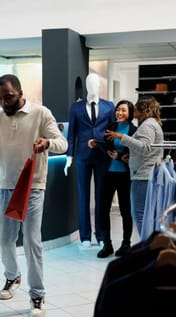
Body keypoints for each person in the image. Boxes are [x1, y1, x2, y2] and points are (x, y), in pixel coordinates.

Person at [0, 74, 67, 317]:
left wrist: (47, 142)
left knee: (31, 241)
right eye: (0, 98)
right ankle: (12, 276)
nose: (4, 103)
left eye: (8, 97)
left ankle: (37, 294)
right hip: (6, 185)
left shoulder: (41, 113)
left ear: (19, 92)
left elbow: (63, 143)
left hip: (33, 186)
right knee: (4, 239)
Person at [64, 73, 115, 249]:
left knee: (101, 197)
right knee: (83, 197)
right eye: (90, 83)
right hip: (82, 157)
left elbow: (112, 132)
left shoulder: (109, 107)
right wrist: (69, 156)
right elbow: (72, 135)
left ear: (100, 85)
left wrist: (113, 151)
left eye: (96, 83)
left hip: (103, 156)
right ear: (86, 86)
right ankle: (84, 236)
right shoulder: (76, 107)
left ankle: (101, 235)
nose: (93, 87)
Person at [106, 95, 163, 237]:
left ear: (144, 109)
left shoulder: (147, 125)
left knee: (139, 213)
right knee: (145, 213)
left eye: (136, 108)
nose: (134, 111)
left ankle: (145, 248)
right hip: (146, 173)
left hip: (142, 174)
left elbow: (144, 147)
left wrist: (121, 137)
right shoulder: (152, 124)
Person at [88, 100, 136, 258]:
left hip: (125, 175)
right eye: (118, 110)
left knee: (125, 210)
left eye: (123, 110)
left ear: (130, 113)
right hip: (108, 173)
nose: (119, 113)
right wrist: (96, 143)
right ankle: (107, 244)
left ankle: (126, 244)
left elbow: (136, 151)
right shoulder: (112, 127)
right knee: (103, 209)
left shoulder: (134, 130)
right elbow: (107, 147)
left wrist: (120, 156)